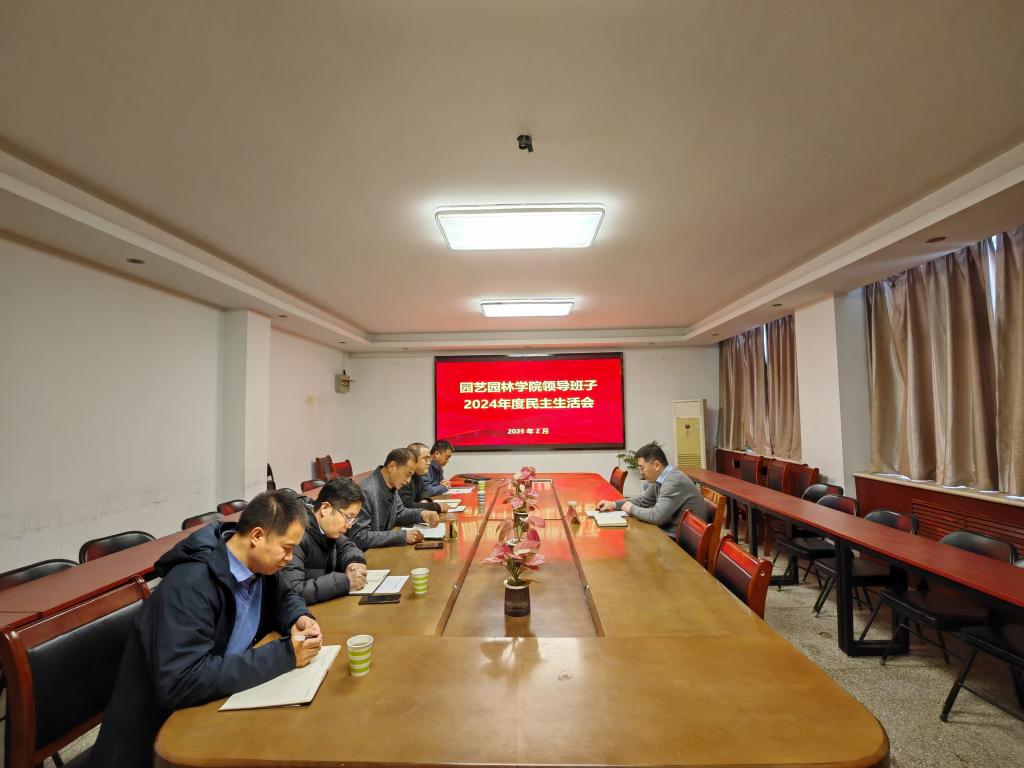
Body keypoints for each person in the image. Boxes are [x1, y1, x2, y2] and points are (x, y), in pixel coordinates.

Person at [90, 490, 322, 768]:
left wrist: (297, 617)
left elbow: (284, 597)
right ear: (257, 536)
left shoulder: (259, 565)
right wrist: (285, 654)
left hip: (218, 704)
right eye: (286, 548)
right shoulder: (190, 585)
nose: (290, 558)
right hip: (158, 740)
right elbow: (182, 680)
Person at [283, 477, 369, 604]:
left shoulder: (328, 530)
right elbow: (294, 591)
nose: (350, 525)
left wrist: (354, 562)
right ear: (325, 509)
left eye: (353, 520)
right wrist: (344, 582)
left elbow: (347, 546)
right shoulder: (296, 536)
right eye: (348, 517)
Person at [597, 442, 704, 538]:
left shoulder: (673, 481)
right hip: (669, 532)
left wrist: (631, 509)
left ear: (656, 465)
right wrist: (613, 505)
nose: (641, 472)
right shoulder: (661, 478)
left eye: (642, 467)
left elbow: (657, 516)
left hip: (680, 543)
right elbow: (643, 501)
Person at [350, 447, 441, 549]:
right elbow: (359, 536)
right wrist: (401, 536)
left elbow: (399, 513)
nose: (408, 481)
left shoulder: (392, 484)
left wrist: (422, 514)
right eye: (407, 474)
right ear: (392, 466)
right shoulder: (365, 491)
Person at [399, 442, 444, 513]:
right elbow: (406, 505)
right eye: (425, 459)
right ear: (413, 459)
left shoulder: (417, 475)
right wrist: (436, 507)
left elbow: (424, 493)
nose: (429, 463)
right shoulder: (403, 478)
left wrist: (425, 500)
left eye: (429, 459)